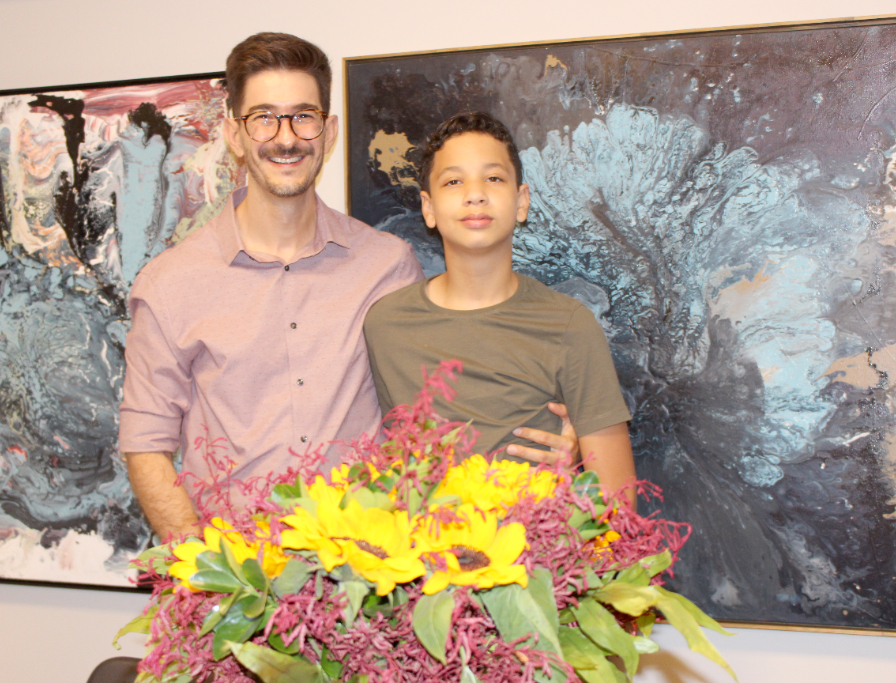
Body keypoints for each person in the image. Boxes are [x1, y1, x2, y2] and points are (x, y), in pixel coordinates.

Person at [119, 35, 577, 539]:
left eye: (303, 116)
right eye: (264, 117)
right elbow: (145, 444)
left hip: (368, 589)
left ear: (329, 130)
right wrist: (206, 577)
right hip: (236, 589)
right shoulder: (170, 284)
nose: (285, 137)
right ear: (234, 133)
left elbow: (440, 403)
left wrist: (551, 438)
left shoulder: (387, 266)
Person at [364, 112, 637, 501]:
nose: (475, 194)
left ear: (521, 201)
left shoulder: (569, 325)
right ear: (428, 208)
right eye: (453, 181)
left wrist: (574, 469)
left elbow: (619, 503)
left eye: (493, 178)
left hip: (539, 554)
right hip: (420, 555)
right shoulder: (386, 325)